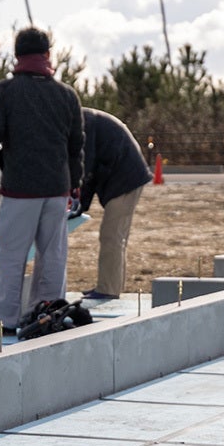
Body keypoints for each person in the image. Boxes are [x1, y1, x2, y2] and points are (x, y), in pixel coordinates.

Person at [0, 27, 85, 336]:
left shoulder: (6, 91)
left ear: (17, 56)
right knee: (53, 256)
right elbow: (76, 146)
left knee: (12, 257)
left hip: (20, 190)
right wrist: (75, 183)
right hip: (57, 190)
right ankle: (47, 315)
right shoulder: (66, 94)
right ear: (47, 55)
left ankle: (5, 320)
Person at [75, 107, 153, 302]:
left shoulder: (83, 123)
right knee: (116, 236)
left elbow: (85, 168)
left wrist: (78, 204)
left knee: (112, 235)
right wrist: (79, 204)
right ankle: (111, 286)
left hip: (126, 178)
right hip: (124, 176)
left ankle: (108, 289)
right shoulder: (83, 120)